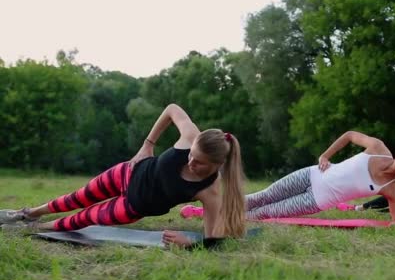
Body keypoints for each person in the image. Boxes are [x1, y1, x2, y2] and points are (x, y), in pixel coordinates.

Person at [0, 104, 246, 247]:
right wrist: (148, 144)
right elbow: (171, 109)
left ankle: (35, 227)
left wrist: (189, 243)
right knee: (75, 198)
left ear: (217, 164)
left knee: (81, 219)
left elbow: (213, 239)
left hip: (131, 206)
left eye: (199, 162)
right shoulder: (191, 135)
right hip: (127, 172)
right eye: (191, 155)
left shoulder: (210, 191)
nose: (191, 162)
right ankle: (26, 213)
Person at [245, 131, 395, 224]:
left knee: (265, 212)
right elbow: (350, 135)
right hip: (311, 174)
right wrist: (326, 156)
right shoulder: (378, 148)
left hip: (315, 200)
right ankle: (219, 206)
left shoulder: (391, 190)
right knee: (261, 196)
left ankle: (228, 222)